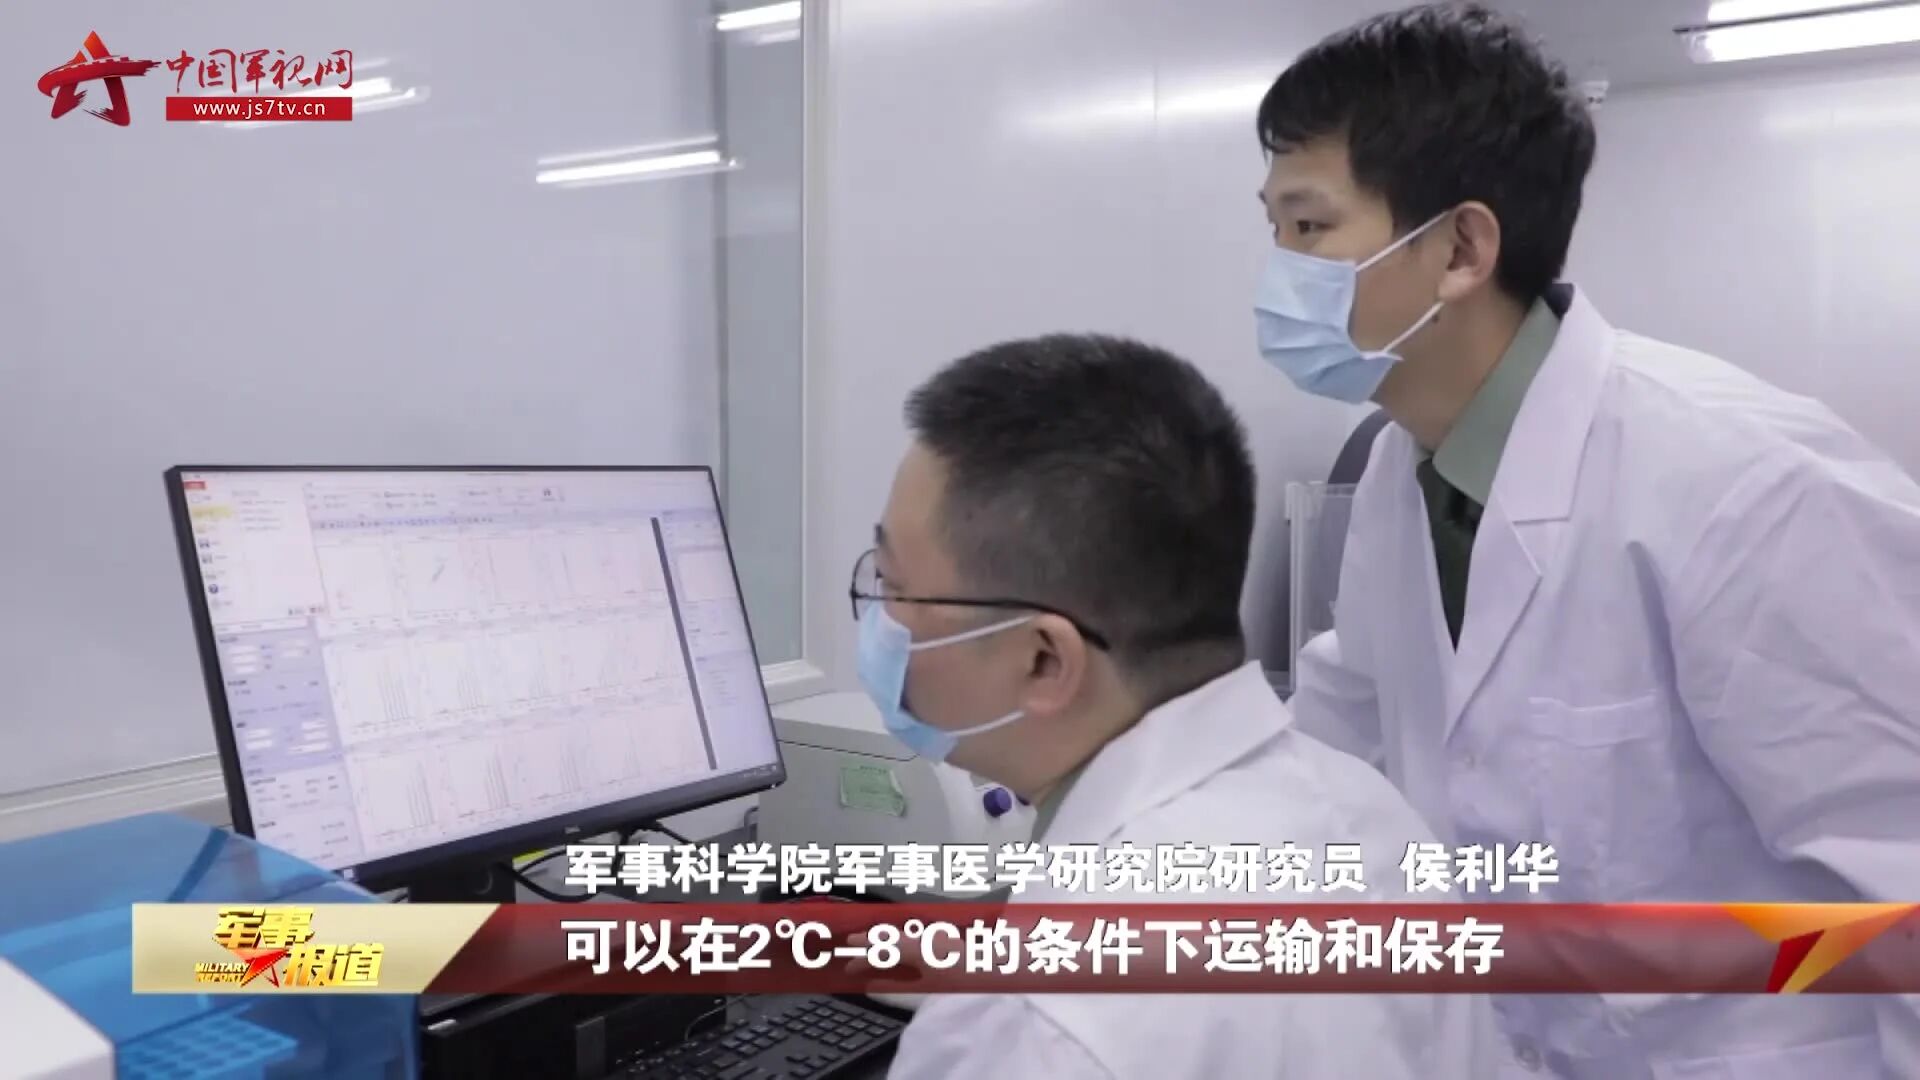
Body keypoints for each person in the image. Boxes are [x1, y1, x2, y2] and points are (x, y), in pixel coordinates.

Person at [1252, 4, 1920, 1077]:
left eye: (1310, 229)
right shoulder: (1401, 473)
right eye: (1276, 231)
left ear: (1461, 249)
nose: (1278, 272)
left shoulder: (1745, 482)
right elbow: (1342, 740)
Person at [853, 333, 1491, 1079]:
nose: (881, 620)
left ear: (1044, 660)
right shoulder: (1373, 822)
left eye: (896, 587)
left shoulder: (1032, 1027)